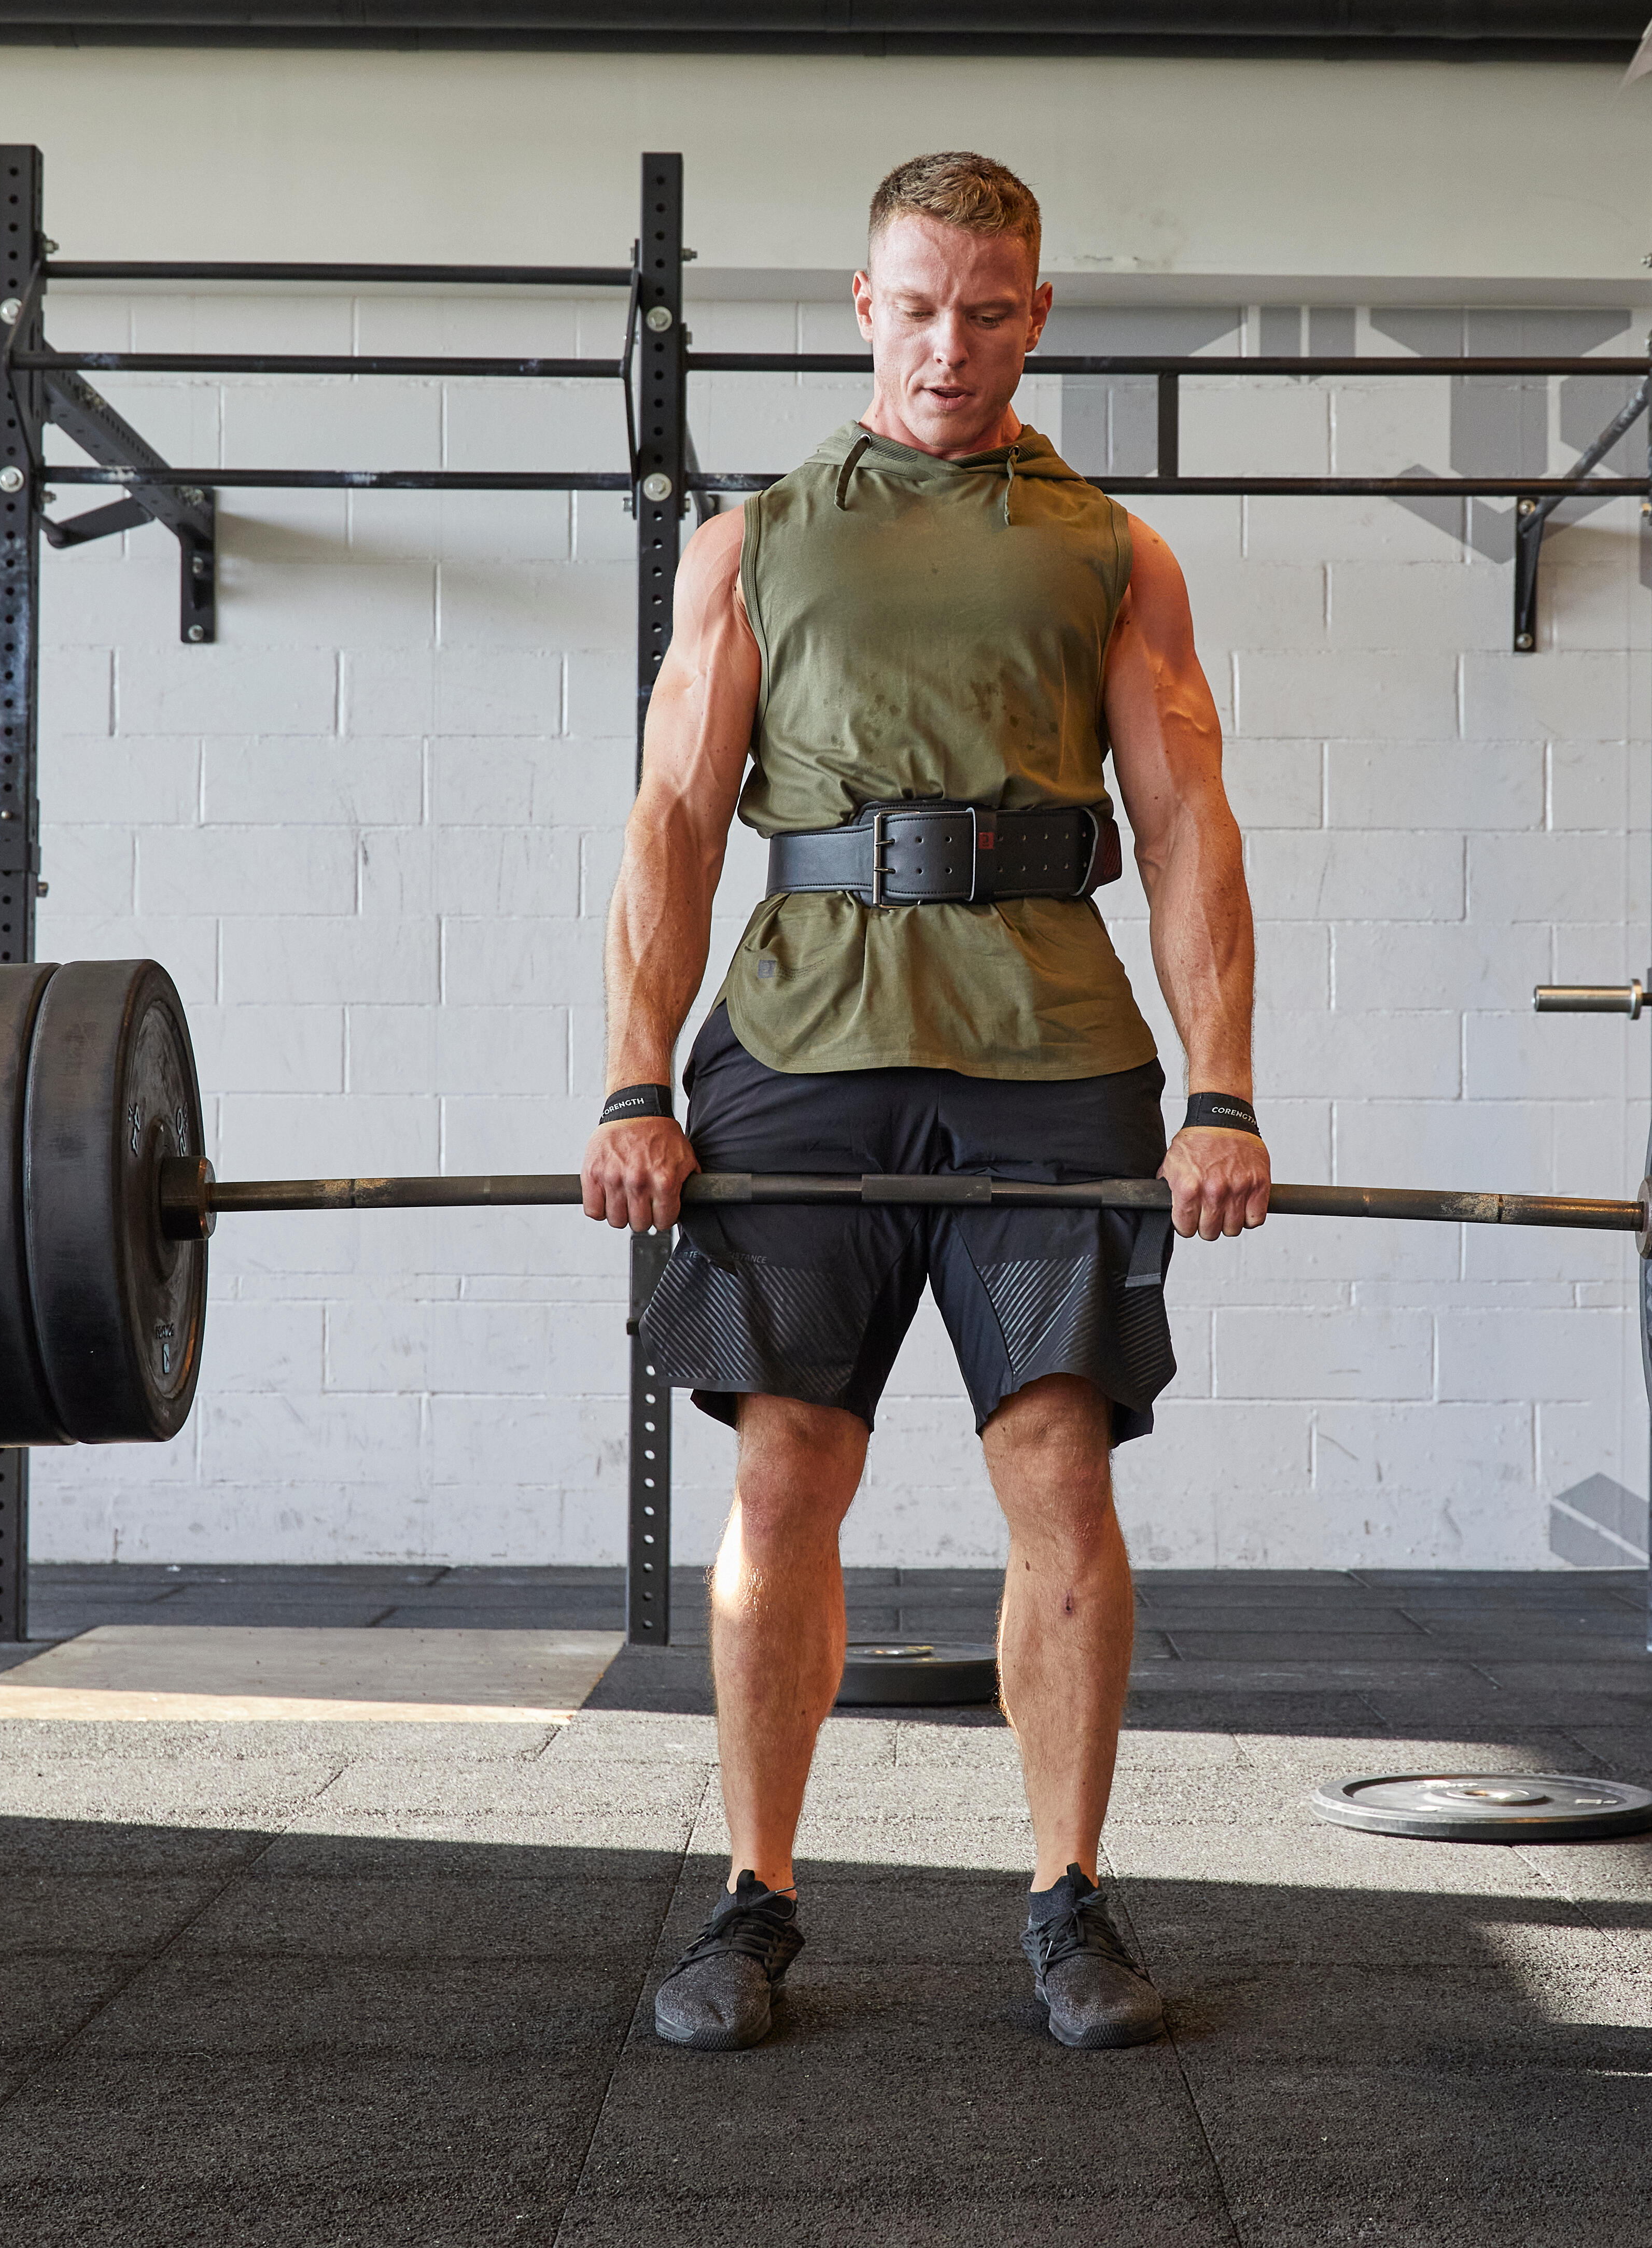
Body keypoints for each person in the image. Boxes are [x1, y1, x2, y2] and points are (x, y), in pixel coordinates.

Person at [580, 150, 1269, 2054]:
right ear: (859, 305)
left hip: (1053, 1047)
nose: (948, 342)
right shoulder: (759, 538)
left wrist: (1220, 1094)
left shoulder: (1114, 550)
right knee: (786, 1466)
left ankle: (1065, 1897)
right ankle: (756, 1895)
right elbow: (675, 819)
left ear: (1035, 313)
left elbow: (1188, 826)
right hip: (798, 1049)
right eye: (915, 302)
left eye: (987, 306)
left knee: (1054, 1463)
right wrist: (639, 1078)